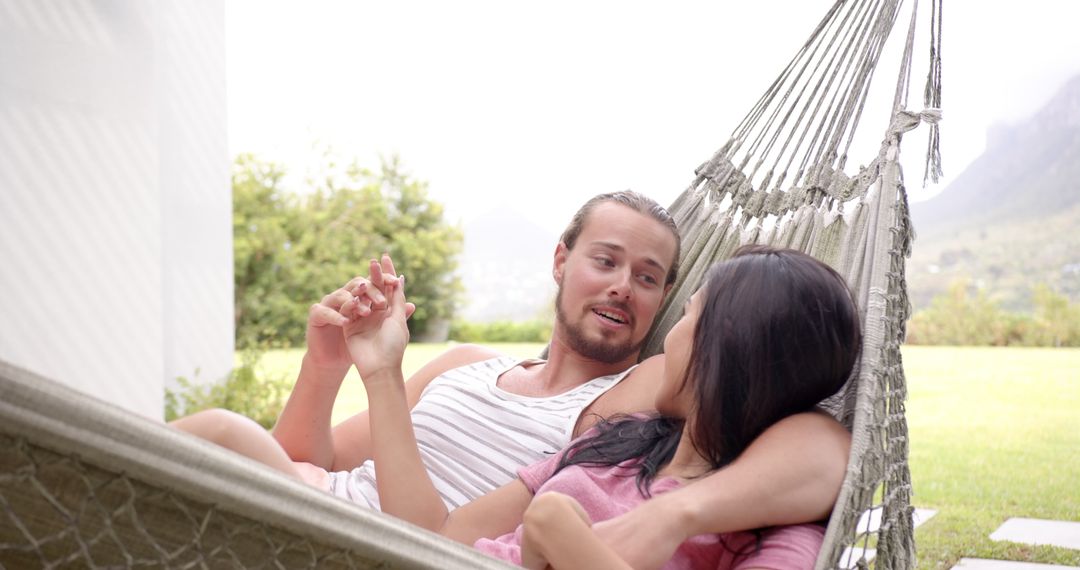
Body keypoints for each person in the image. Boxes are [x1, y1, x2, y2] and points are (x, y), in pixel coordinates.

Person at [171, 191, 852, 567]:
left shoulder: (637, 395)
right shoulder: (464, 364)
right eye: (606, 261)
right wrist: (325, 368)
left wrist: (382, 376)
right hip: (312, 499)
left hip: (376, 544)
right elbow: (307, 459)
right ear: (560, 261)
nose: (623, 286)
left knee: (218, 432)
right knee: (222, 438)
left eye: (648, 278)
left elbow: (820, 444)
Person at [349, 245, 862, 569]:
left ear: (722, 345)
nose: (669, 339)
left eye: (687, 316)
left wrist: (565, 537)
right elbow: (441, 538)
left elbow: (829, 447)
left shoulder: (776, 532)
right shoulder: (618, 441)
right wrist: (381, 372)